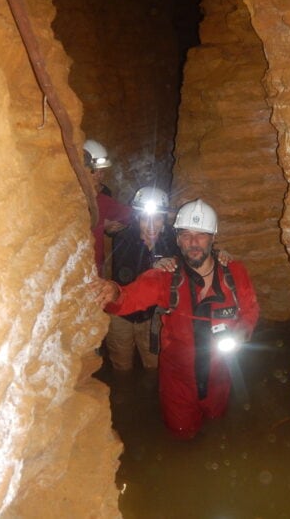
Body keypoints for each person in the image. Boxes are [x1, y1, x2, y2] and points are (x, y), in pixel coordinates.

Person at [93, 199, 260, 439]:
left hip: (219, 375)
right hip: (178, 380)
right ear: (177, 239)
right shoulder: (166, 276)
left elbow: (250, 310)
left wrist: (242, 333)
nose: (193, 242)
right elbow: (128, 299)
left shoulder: (234, 273)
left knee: (217, 424)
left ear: (213, 237)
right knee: (181, 434)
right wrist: (114, 292)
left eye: (201, 235)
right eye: (186, 235)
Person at [106, 186, 179, 371]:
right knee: (121, 366)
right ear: (138, 218)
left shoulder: (173, 241)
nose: (152, 225)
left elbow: (193, 261)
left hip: (153, 316)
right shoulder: (124, 238)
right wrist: (152, 268)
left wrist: (218, 254)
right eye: (146, 218)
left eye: (157, 218)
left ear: (164, 220)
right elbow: (125, 276)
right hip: (122, 314)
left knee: (154, 366)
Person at [83, 139, 132, 276]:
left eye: (102, 171)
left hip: (95, 272)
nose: (99, 176)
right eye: (94, 171)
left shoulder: (102, 199)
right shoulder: (67, 202)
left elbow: (130, 215)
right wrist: (99, 225)